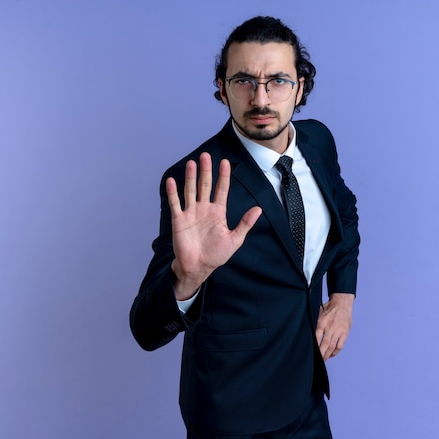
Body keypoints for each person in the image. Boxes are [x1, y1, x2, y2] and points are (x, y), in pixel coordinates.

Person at [130, 16, 360, 438]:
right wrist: (188, 278)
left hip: (307, 395)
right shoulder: (194, 179)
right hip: (232, 412)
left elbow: (343, 214)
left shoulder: (319, 143)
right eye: (243, 81)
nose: (261, 98)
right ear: (222, 87)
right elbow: (145, 329)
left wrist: (342, 297)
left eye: (277, 81)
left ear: (301, 87)